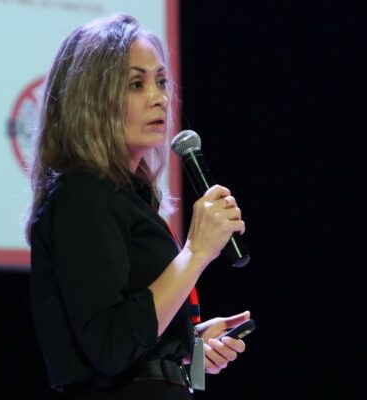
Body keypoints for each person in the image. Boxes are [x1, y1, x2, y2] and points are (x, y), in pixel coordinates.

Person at [26, 13, 251, 399]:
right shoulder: (82, 194)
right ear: (92, 100)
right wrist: (196, 252)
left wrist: (187, 343)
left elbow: (130, 333)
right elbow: (110, 346)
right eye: (136, 84)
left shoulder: (128, 198)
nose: (159, 97)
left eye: (161, 81)